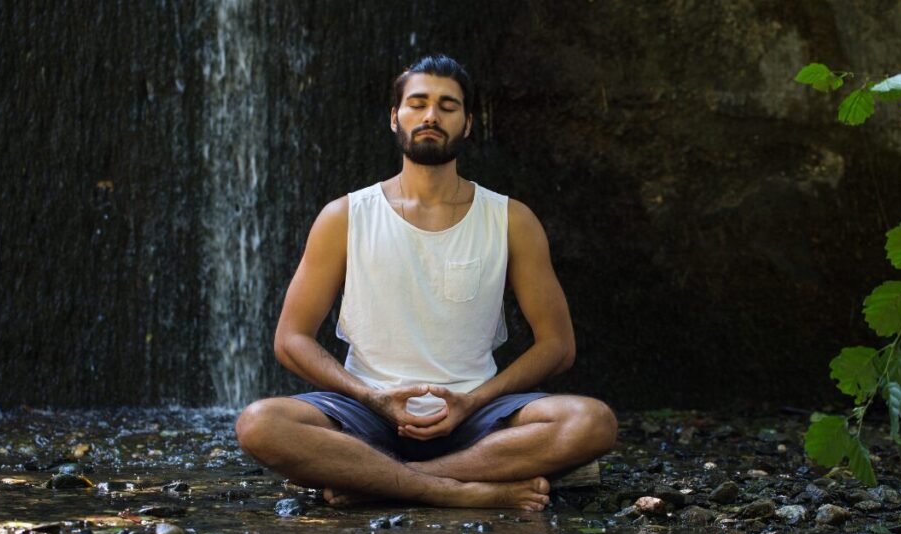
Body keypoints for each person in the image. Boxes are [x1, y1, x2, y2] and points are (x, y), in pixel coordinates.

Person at [235, 54, 617, 511]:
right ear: (395, 117)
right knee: (259, 423)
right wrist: (372, 398)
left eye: (447, 106)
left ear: (468, 123)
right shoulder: (345, 216)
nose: (431, 115)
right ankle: (462, 492)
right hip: (367, 414)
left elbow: (557, 345)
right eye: (417, 103)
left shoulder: (511, 220)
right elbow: (290, 339)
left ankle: (377, 482)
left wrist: (472, 403)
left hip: (475, 415)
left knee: (592, 422)